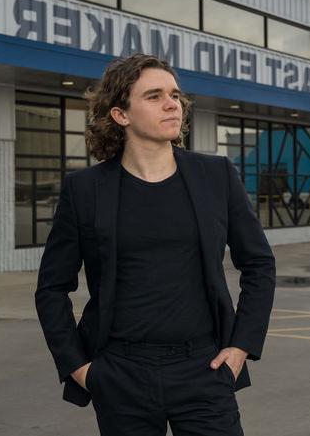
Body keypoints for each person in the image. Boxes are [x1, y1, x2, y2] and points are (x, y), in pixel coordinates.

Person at [35, 53, 276, 436]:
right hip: (121, 373)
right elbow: (51, 288)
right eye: (154, 96)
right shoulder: (85, 191)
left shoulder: (215, 176)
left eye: (175, 95)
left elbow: (259, 264)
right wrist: (81, 369)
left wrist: (240, 347)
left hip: (205, 368)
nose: (172, 104)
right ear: (121, 115)